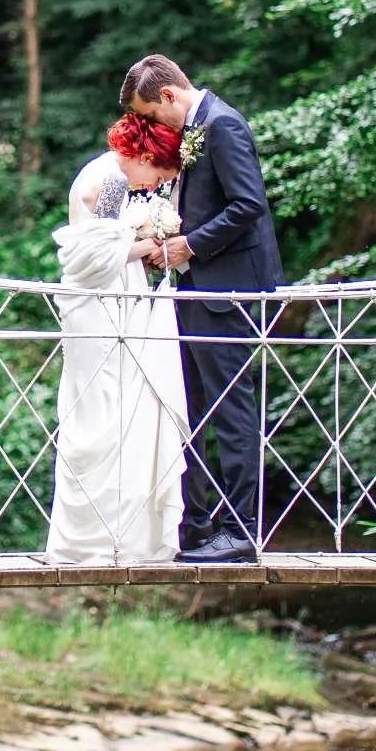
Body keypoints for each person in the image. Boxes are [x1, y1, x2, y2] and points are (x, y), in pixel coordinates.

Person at [120, 54, 282, 567]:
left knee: (230, 412)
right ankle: (196, 522)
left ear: (169, 96)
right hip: (195, 289)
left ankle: (241, 531)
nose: (151, 126)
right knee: (190, 409)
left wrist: (191, 245)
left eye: (151, 114)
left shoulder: (223, 124)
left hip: (229, 290)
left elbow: (248, 204)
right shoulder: (198, 128)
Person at [44, 115, 189, 568]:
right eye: (159, 176)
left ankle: (101, 536)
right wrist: (150, 242)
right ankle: (107, 539)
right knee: (107, 412)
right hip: (101, 308)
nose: (153, 187)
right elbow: (95, 255)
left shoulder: (107, 171)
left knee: (108, 412)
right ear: (146, 157)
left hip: (105, 303)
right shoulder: (110, 178)